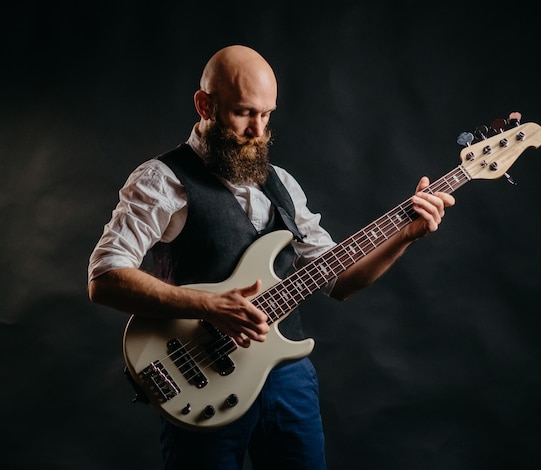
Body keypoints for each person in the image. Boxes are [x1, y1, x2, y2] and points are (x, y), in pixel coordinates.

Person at [87, 44, 455, 470]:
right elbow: (105, 277)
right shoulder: (162, 180)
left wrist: (405, 236)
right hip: (200, 375)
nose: (257, 130)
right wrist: (209, 306)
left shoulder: (281, 183)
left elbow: (340, 281)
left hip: (287, 379)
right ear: (205, 104)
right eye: (245, 112)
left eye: (266, 115)